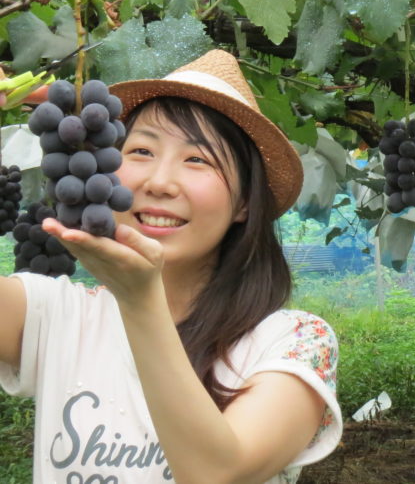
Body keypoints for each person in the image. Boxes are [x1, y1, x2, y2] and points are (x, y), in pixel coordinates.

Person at [0, 50, 342, 483]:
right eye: (141, 150)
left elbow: (215, 474)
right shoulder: (56, 314)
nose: (159, 182)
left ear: (244, 203)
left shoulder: (293, 344)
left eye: (197, 159)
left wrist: (140, 300)